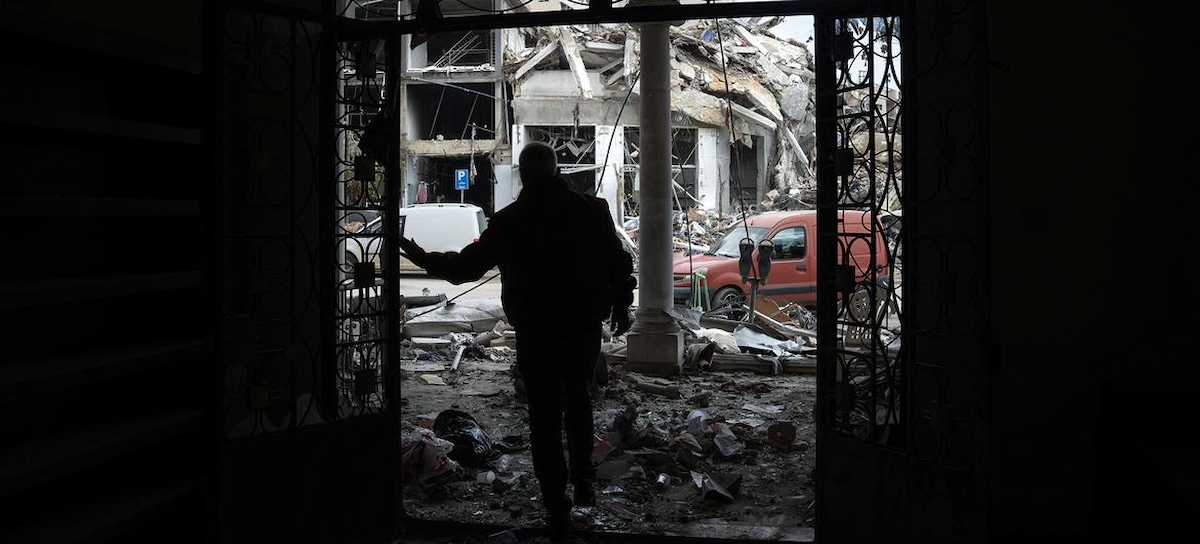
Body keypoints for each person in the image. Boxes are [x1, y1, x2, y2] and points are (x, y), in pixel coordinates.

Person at [398, 142, 635, 541]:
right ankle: (583, 482)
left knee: (544, 417)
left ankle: (555, 502)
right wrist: (621, 306)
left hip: (536, 332)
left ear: (524, 175)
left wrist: (420, 256)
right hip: (580, 329)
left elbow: (465, 268)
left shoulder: (512, 220)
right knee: (578, 401)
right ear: (556, 169)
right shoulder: (591, 210)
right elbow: (619, 262)